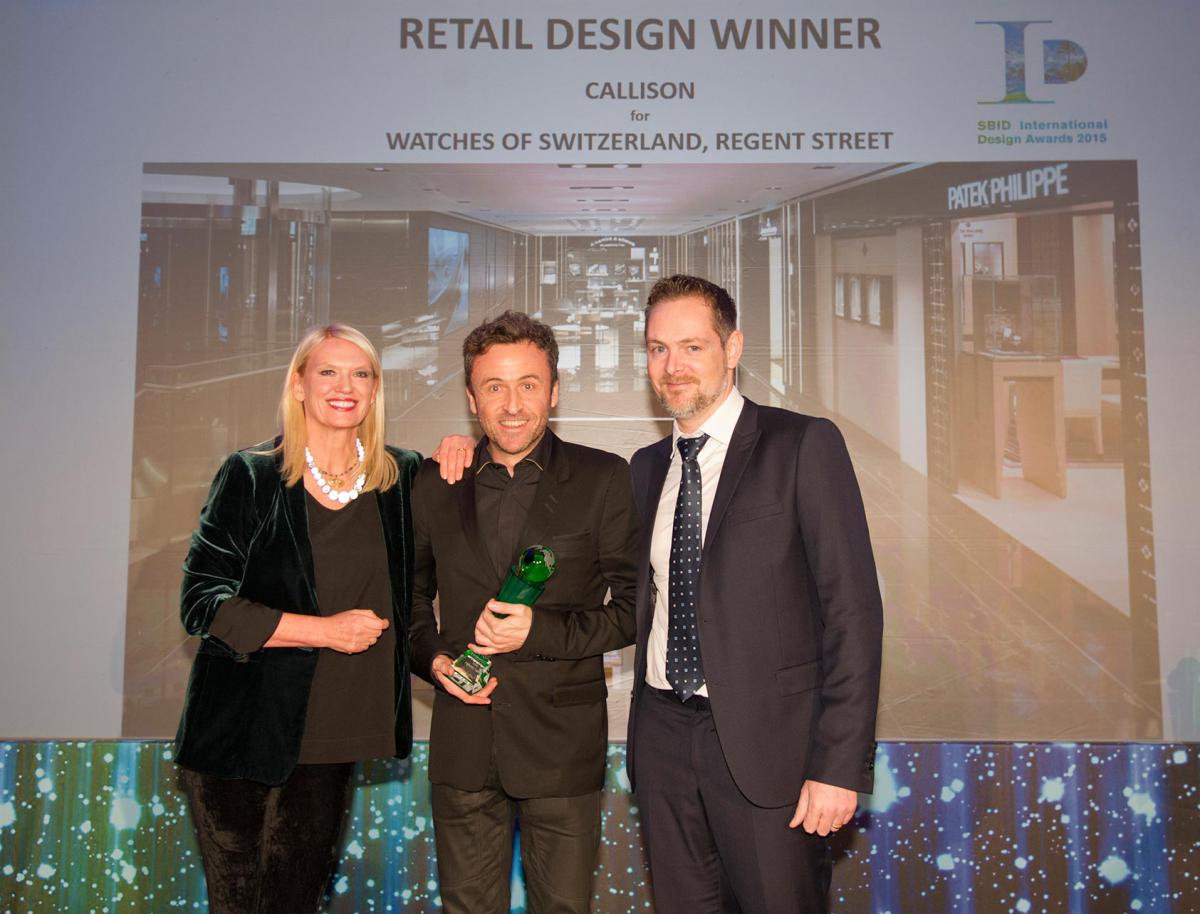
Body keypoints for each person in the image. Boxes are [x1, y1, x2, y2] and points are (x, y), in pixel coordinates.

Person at [627, 275, 884, 913]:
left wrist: (838, 766)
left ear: (733, 348)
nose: (673, 365)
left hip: (773, 752)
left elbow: (852, 613)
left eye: (692, 346)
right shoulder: (646, 468)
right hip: (662, 741)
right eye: (659, 349)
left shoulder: (802, 444)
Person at [173, 324, 421, 914]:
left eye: (360, 374)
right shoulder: (252, 473)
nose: (345, 386)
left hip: (334, 733)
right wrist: (325, 631)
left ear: (375, 390)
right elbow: (201, 601)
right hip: (239, 732)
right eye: (328, 372)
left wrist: (463, 447)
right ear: (299, 385)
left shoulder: (403, 476)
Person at [410, 310, 639, 914]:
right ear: (471, 399)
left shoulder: (603, 478)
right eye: (494, 387)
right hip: (463, 745)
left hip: (562, 750)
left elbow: (634, 610)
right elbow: (408, 600)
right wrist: (434, 662)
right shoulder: (434, 481)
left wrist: (539, 631)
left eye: (528, 385)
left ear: (554, 391)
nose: (512, 405)